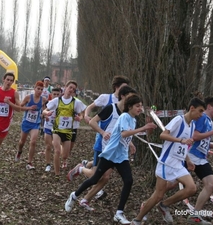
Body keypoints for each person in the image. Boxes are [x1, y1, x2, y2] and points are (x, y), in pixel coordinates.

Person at [65, 94, 157, 224]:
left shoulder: (133, 120)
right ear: (130, 107)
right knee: (95, 179)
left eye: (141, 106)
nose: (140, 108)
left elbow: (128, 135)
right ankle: (74, 196)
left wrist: (144, 132)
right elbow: (123, 133)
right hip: (110, 154)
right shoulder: (124, 116)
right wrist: (143, 128)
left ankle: (119, 213)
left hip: (121, 156)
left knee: (128, 180)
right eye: (137, 106)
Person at [130, 97, 206, 225]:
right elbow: (163, 135)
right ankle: (137, 220)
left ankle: (164, 205)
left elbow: (185, 146)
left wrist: (188, 160)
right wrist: (181, 140)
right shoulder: (178, 120)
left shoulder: (192, 125)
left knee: (192, 188)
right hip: (166, 163)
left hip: (179, 164)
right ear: (192, 108)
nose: (201, 114)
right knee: (158, 195)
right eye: (200, 111)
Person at [67, 85, 137, 210]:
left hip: (115, 150)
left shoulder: (127, 114)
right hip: (102, 145)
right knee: (97, 176)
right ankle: (81, 170)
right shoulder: (110, 108)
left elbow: (123, 132)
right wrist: (103, 132)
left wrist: (130, 143)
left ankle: (85, 200)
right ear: (122, 96)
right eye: (130, 97)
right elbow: (93, 121)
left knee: (105, 177)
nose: (133, 100)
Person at [186, 96, 213, 224]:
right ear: (209, 107)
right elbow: (194, 136)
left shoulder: (209, 121)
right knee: (172, 184)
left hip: (201, 158)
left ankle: (195, 215)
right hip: (191, 155)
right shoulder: (202, 117)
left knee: (211, 185)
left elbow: (203, 141)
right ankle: (158, 202)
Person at [0, 72, 36, 178]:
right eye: (7, 79)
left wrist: (9, 103)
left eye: (11, 80)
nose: (9, 82)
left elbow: (19, 109)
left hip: (5, 125)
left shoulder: (14, 94)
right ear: (3, 79)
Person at [42, 80, 86, 176]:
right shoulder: (57, 100)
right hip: (57, 129)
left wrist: (80, 117)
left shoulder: (76, 102)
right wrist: (46, 113)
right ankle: (57, 173)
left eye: (73, 89)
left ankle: (62, 151)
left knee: (65, 155)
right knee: (57, 151)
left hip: (68, 131)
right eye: (70, 87)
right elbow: (45, 110)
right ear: (65, 87)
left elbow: (83, 112)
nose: (71, 90)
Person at [14, 81, 47, 170]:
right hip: (26, 122)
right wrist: (28, 108)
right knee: (22, 142)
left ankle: (29, 162)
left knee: (33, 142)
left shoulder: (43, 100)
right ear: (34, 88)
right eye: (38, 89)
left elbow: (44, 110)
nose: (39, 91)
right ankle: (19, 151)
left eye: (41, 89)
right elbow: (20, 108)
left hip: (35, 124)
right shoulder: (28, 98)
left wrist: (45, 115)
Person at [43, 88, 61, 172]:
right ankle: (48, 164)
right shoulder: (48, 103)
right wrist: (45, 116)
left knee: (57, 148)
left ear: (61, 94)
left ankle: (57, 163)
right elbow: (42, 113)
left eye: (58, 94)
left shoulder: (62, 104)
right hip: (48, 126)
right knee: (48, 146)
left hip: (58, 129)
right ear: (51, 94)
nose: (56, 96)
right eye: (54, 94)